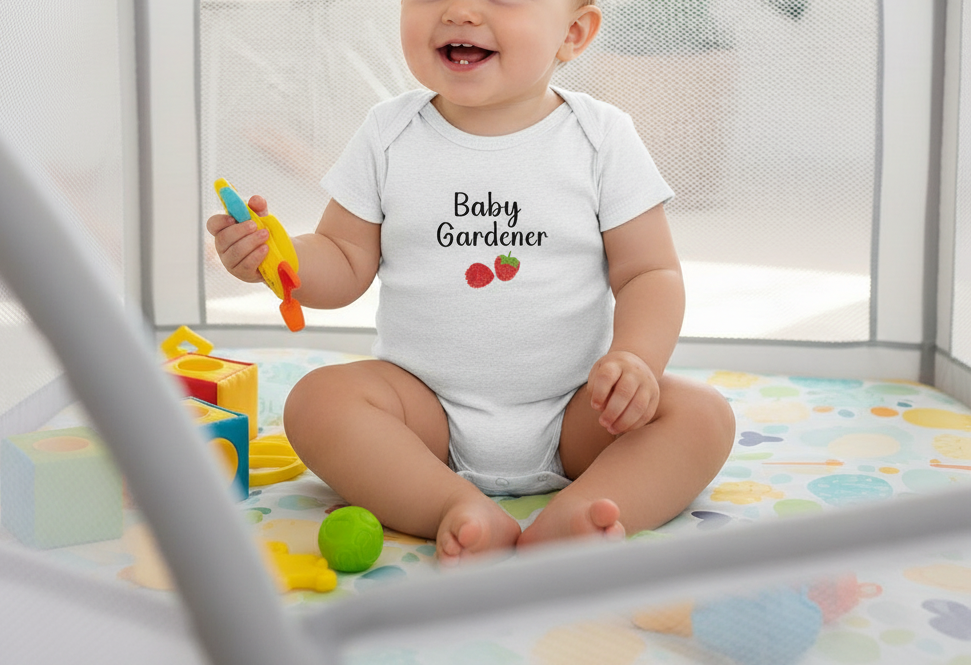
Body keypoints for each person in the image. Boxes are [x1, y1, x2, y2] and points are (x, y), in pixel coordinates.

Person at [207, 0, 736, 566]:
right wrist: (277, 257)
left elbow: (649, 272)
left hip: (578, 412)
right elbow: (343, 259)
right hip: (424, 417)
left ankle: (586, 510)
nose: (459, 11)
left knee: (703, 416)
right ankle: (452, 507)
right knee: (317, 402)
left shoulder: (601, 137)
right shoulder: (389, 133)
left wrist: (636, 360)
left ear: (574, 33)